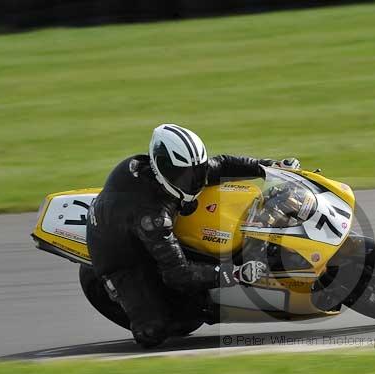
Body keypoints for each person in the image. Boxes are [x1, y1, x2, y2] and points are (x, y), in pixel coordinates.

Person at [86, 123, 299, 347]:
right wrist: (235, 274)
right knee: (152, 332)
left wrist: (267, 166)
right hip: (117, 252)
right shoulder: (153, 217)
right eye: (185, 175)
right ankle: (116, 289)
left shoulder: (174, 173)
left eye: (196, 171)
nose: (195, 180)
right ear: (163, 168)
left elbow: (221, 164)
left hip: (134, 220)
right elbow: (178, 274)